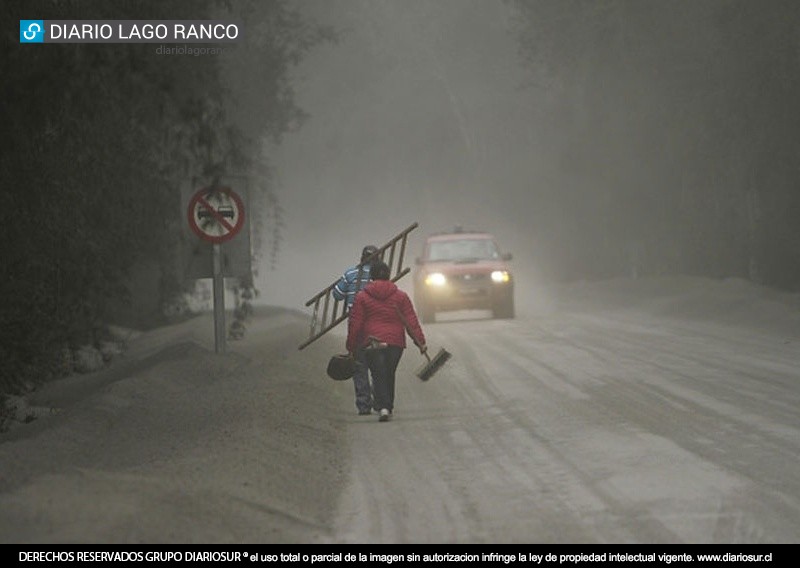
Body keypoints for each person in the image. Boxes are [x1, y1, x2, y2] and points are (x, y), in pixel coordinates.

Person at [346, 260, 427, 422]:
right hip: (395, 342)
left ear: (371, 276)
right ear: (389, 275)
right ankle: (386, 407)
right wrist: (420, 342)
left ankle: (383, 407)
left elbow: (356, 323)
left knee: (378, 373)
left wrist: (351, 345)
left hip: (372, 341)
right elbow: (411, 321)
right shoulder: (401, 296)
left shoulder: (362, 297)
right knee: (389, 373)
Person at [333, 245, 380, 415]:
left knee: (359, 365)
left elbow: (337, 295)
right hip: (376, 326)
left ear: (361, 258)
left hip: (355, 325)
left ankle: (363, 405)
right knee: (377, 365)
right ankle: (380, 401)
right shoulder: (380, 278)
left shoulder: (350, 274)